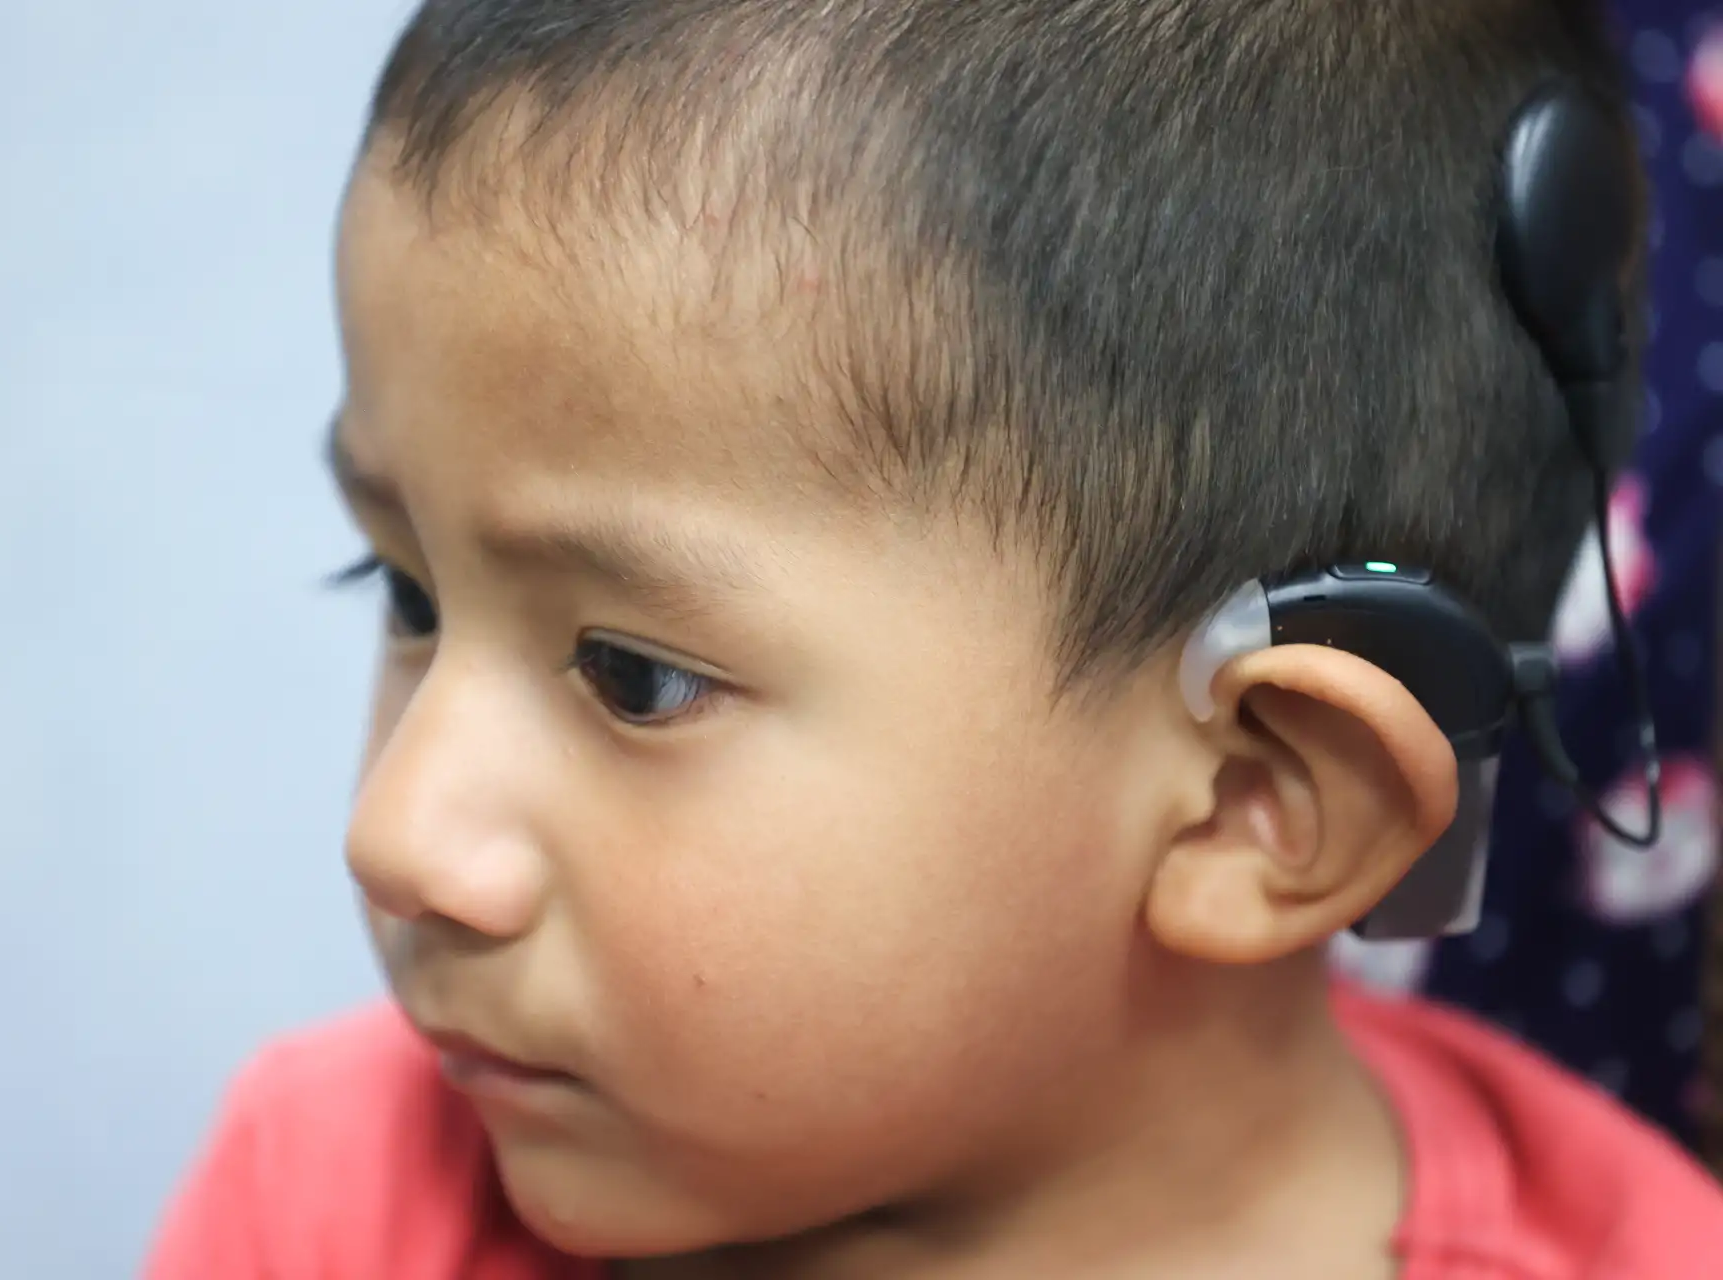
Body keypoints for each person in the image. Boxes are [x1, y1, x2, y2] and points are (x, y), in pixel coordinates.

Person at [147, 1, 1723, 1276]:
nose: (396, 834)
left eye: (635, 676)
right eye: (408, 596)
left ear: (1259, 798)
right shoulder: (327, 1204)